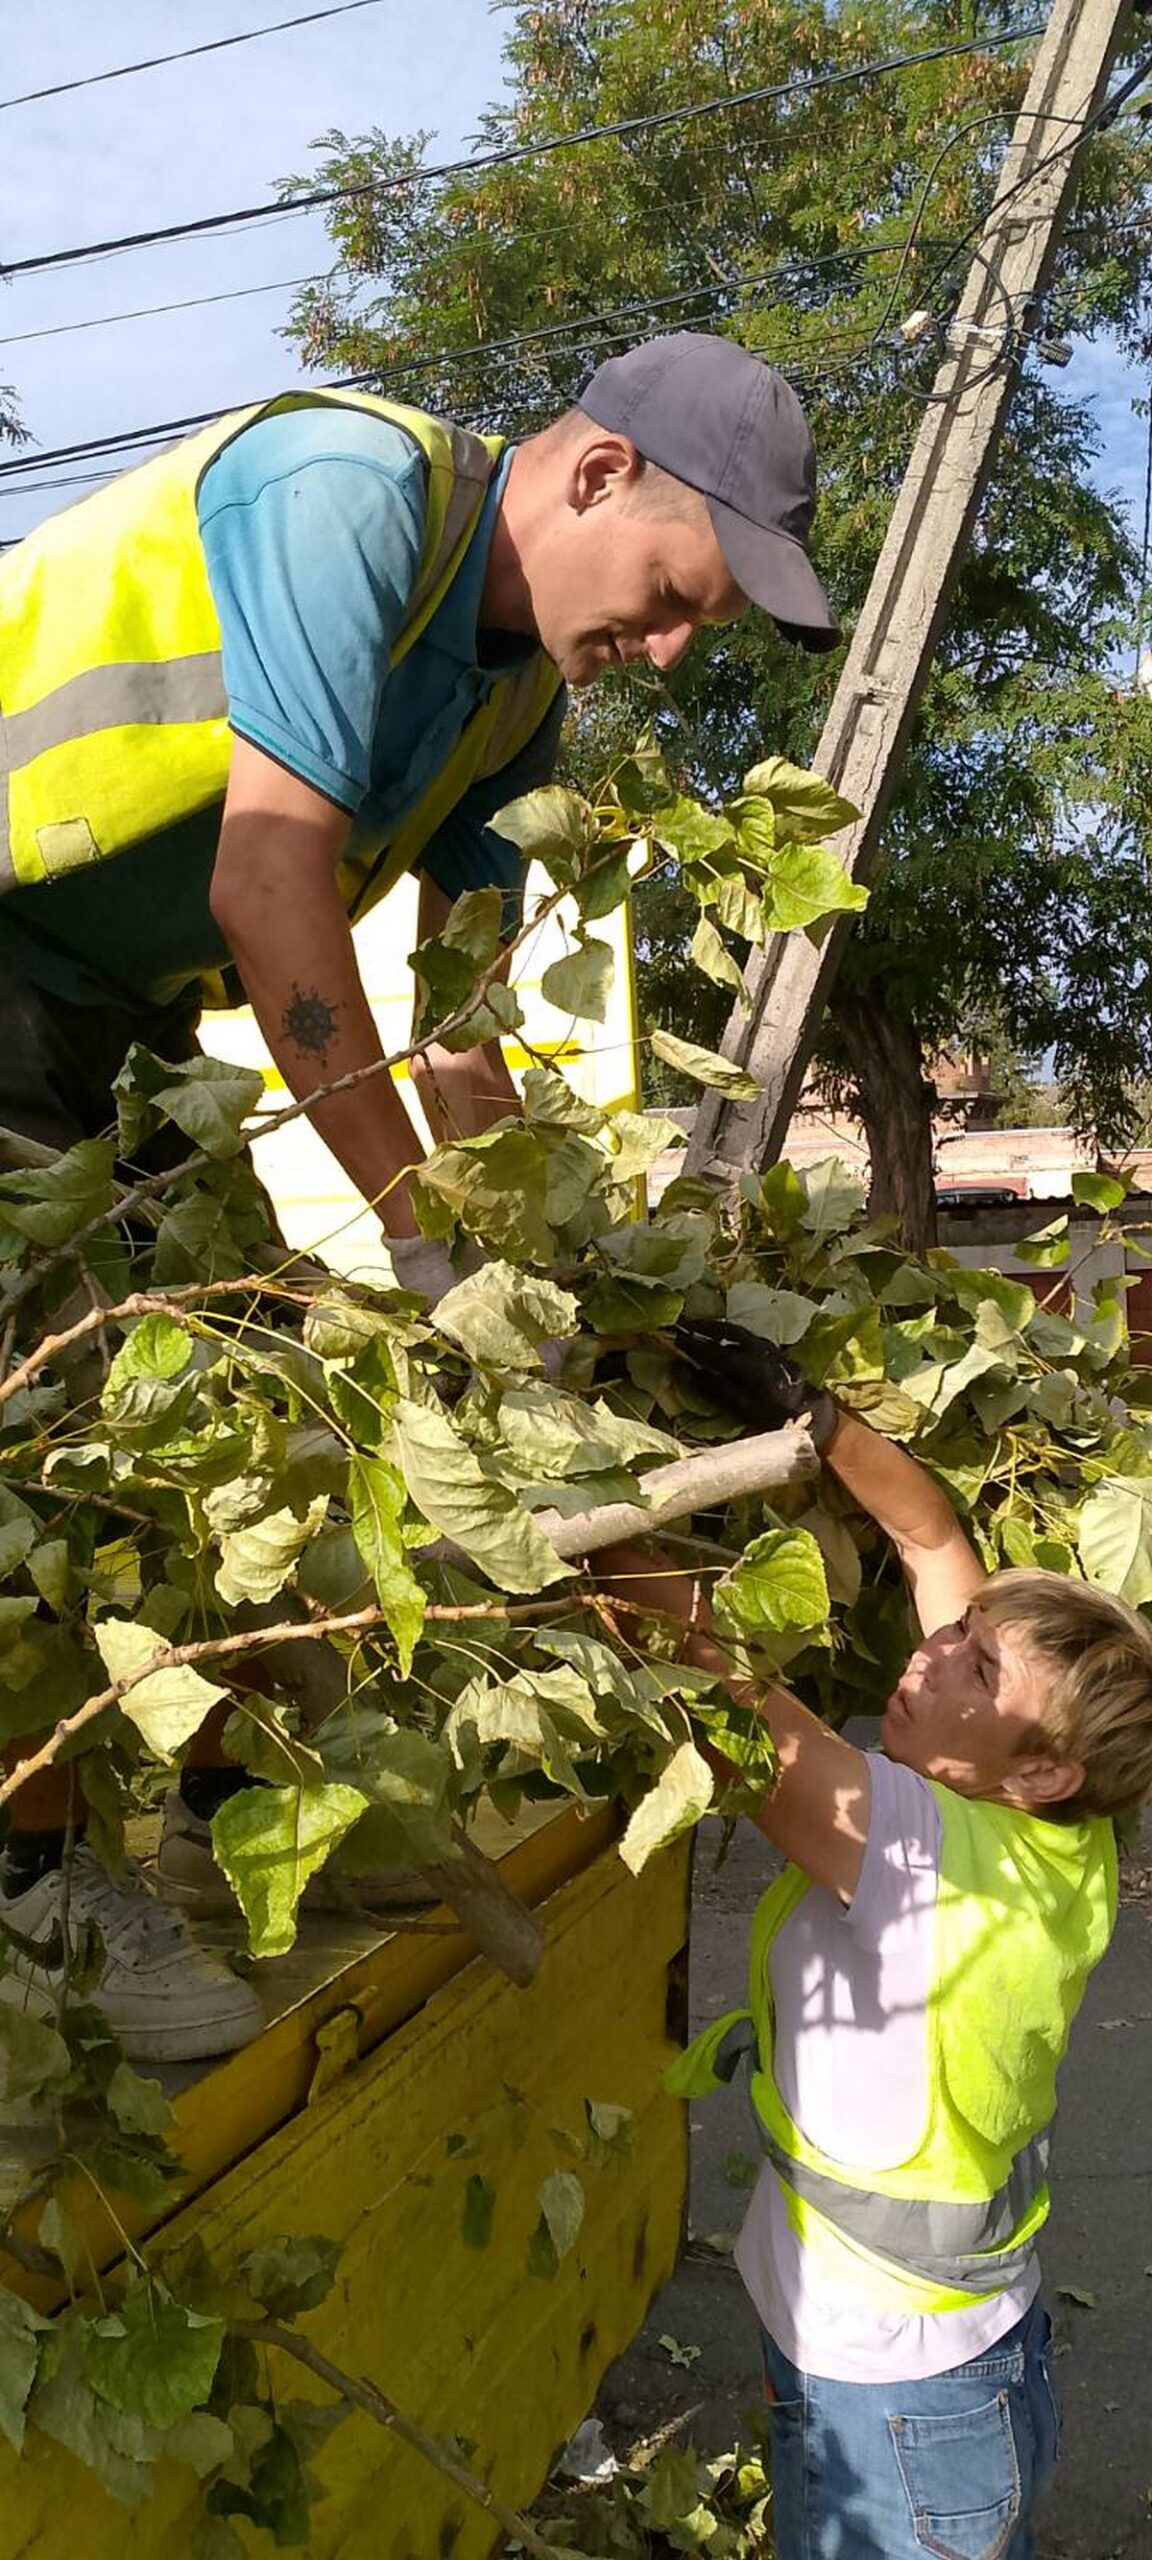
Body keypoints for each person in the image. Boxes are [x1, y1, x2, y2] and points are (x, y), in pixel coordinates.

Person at [0, 336, 839, 2062]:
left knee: (235, 1388)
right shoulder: (350, 494)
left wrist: (539, 1275)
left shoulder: (515, 696)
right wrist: (413, 1229)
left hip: (112, 1015)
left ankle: (254, 1818)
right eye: (678, 596)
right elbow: (268, 873)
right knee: (56, 1387)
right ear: (598, 473)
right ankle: (25, 1882)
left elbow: (463, 1026)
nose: (672, 650)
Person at [598, 1318, 1152, 2560]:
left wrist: (570, 1506)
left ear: (1047, 1763)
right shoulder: (1058, 1831)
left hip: (901, 2401)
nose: (929, 1654)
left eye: (974, 1666)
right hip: (948, 2369)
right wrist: (815, 1416)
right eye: (956, 1635)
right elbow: (932, 1536)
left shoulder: (914, 1845)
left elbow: (718, 1667)